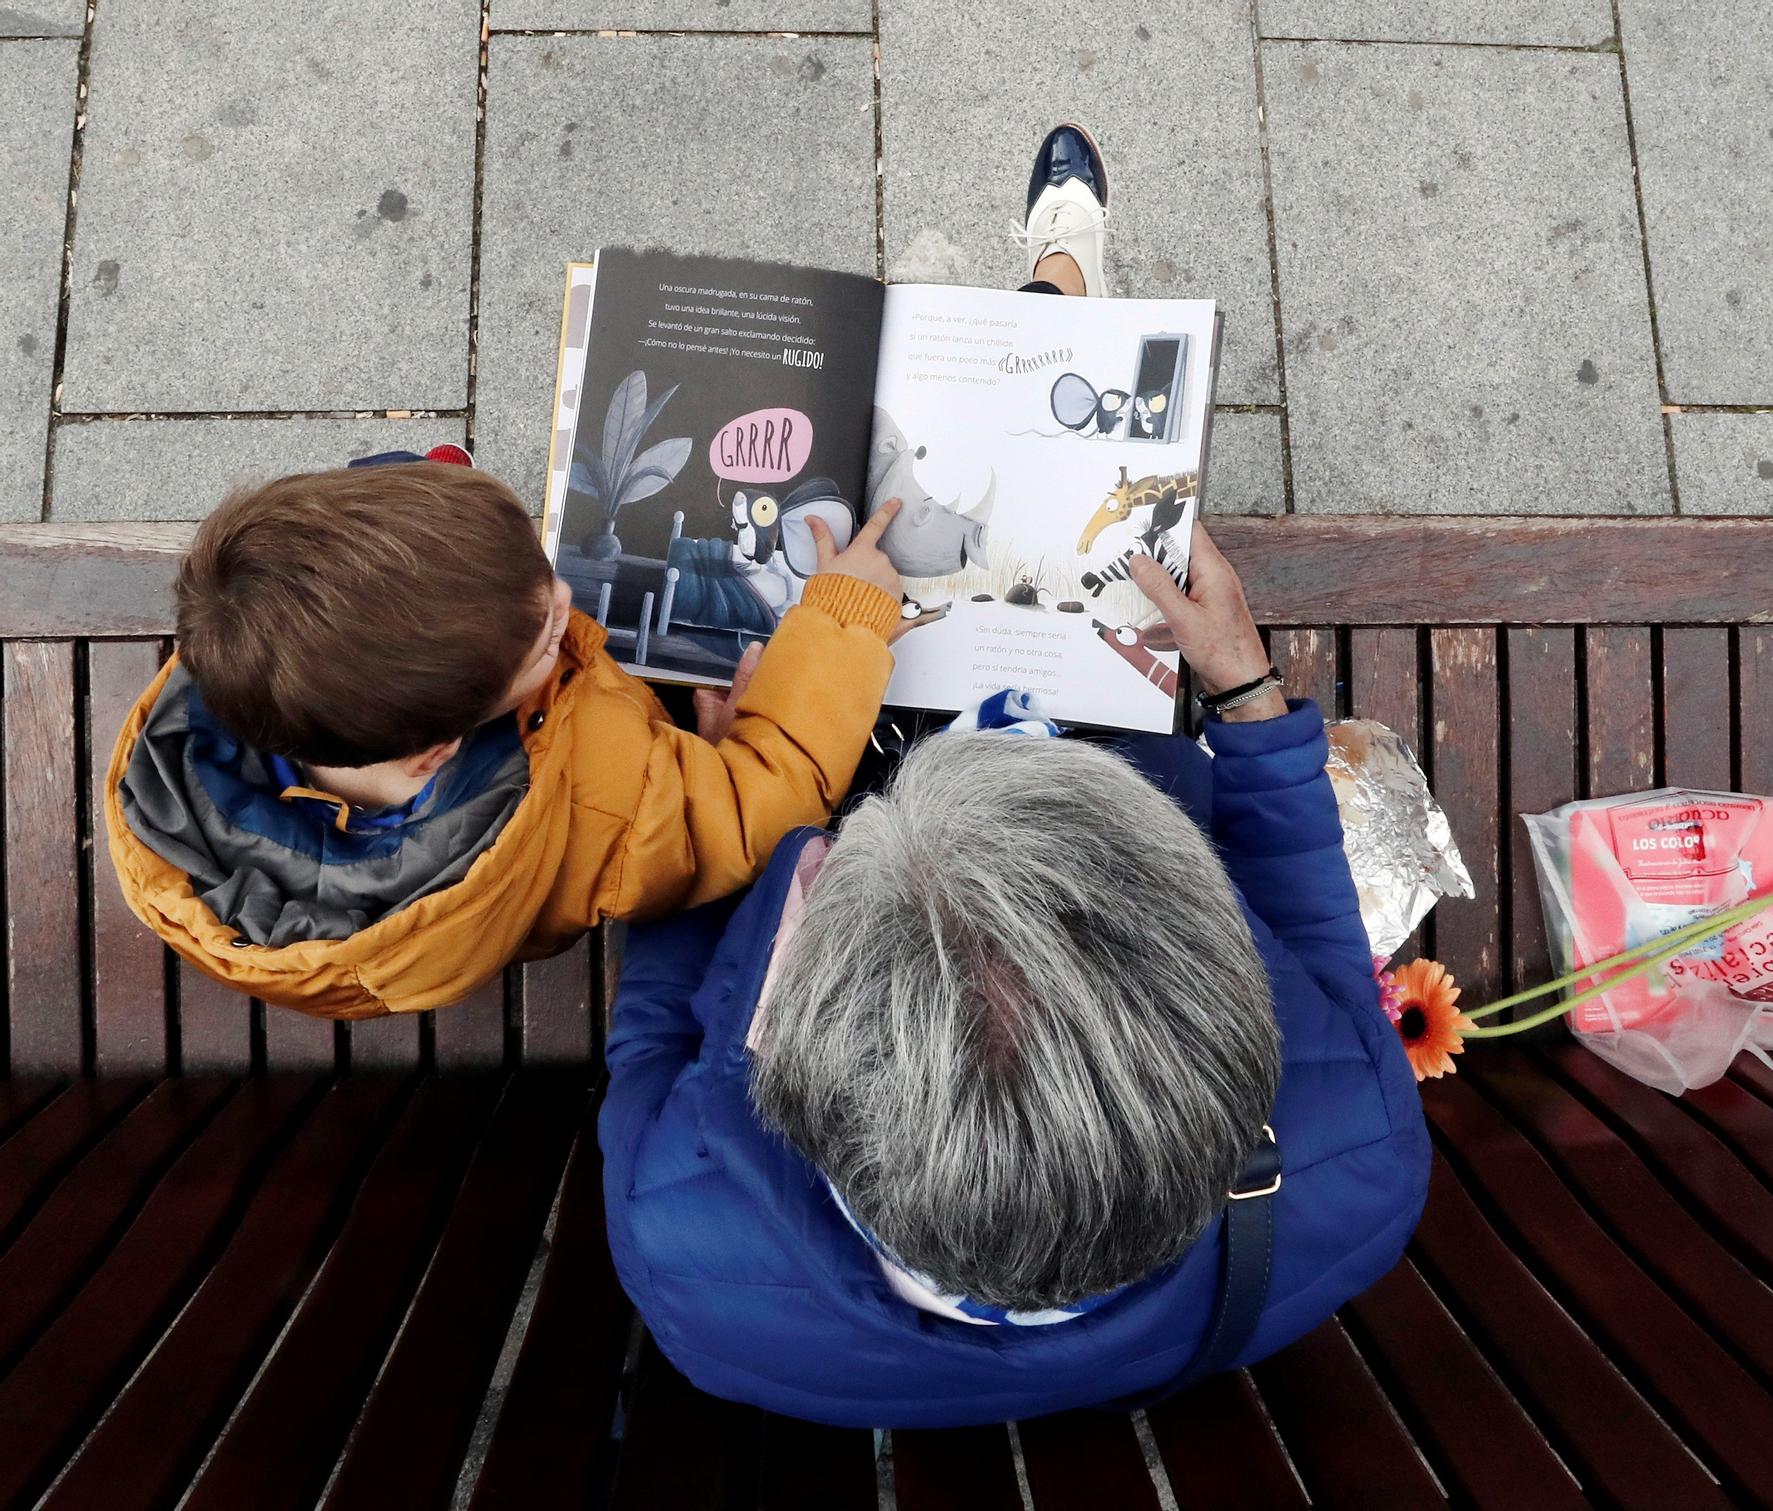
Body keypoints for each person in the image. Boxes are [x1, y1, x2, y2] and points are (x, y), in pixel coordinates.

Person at [598, 126, 1430, 1424]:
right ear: (1224, 1009)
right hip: (1086, 705)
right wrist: (1245, 698)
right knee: (1048, 485)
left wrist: (733, 787)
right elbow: (1321, 939)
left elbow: (658, 1029)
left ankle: (1009, 301)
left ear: (801, 1074)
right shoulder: (1364, 1161)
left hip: (792, 769)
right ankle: (1052, 285)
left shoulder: (686, 1247)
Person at [103, 454, 907, 1019]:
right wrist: (841, 619)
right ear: (436, 751)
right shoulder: (608, 806)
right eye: (546, 632)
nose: (562, 592)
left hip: (410, 931)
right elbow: (753, 812)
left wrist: (435, 493)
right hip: (537, 865)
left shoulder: (259, 661)